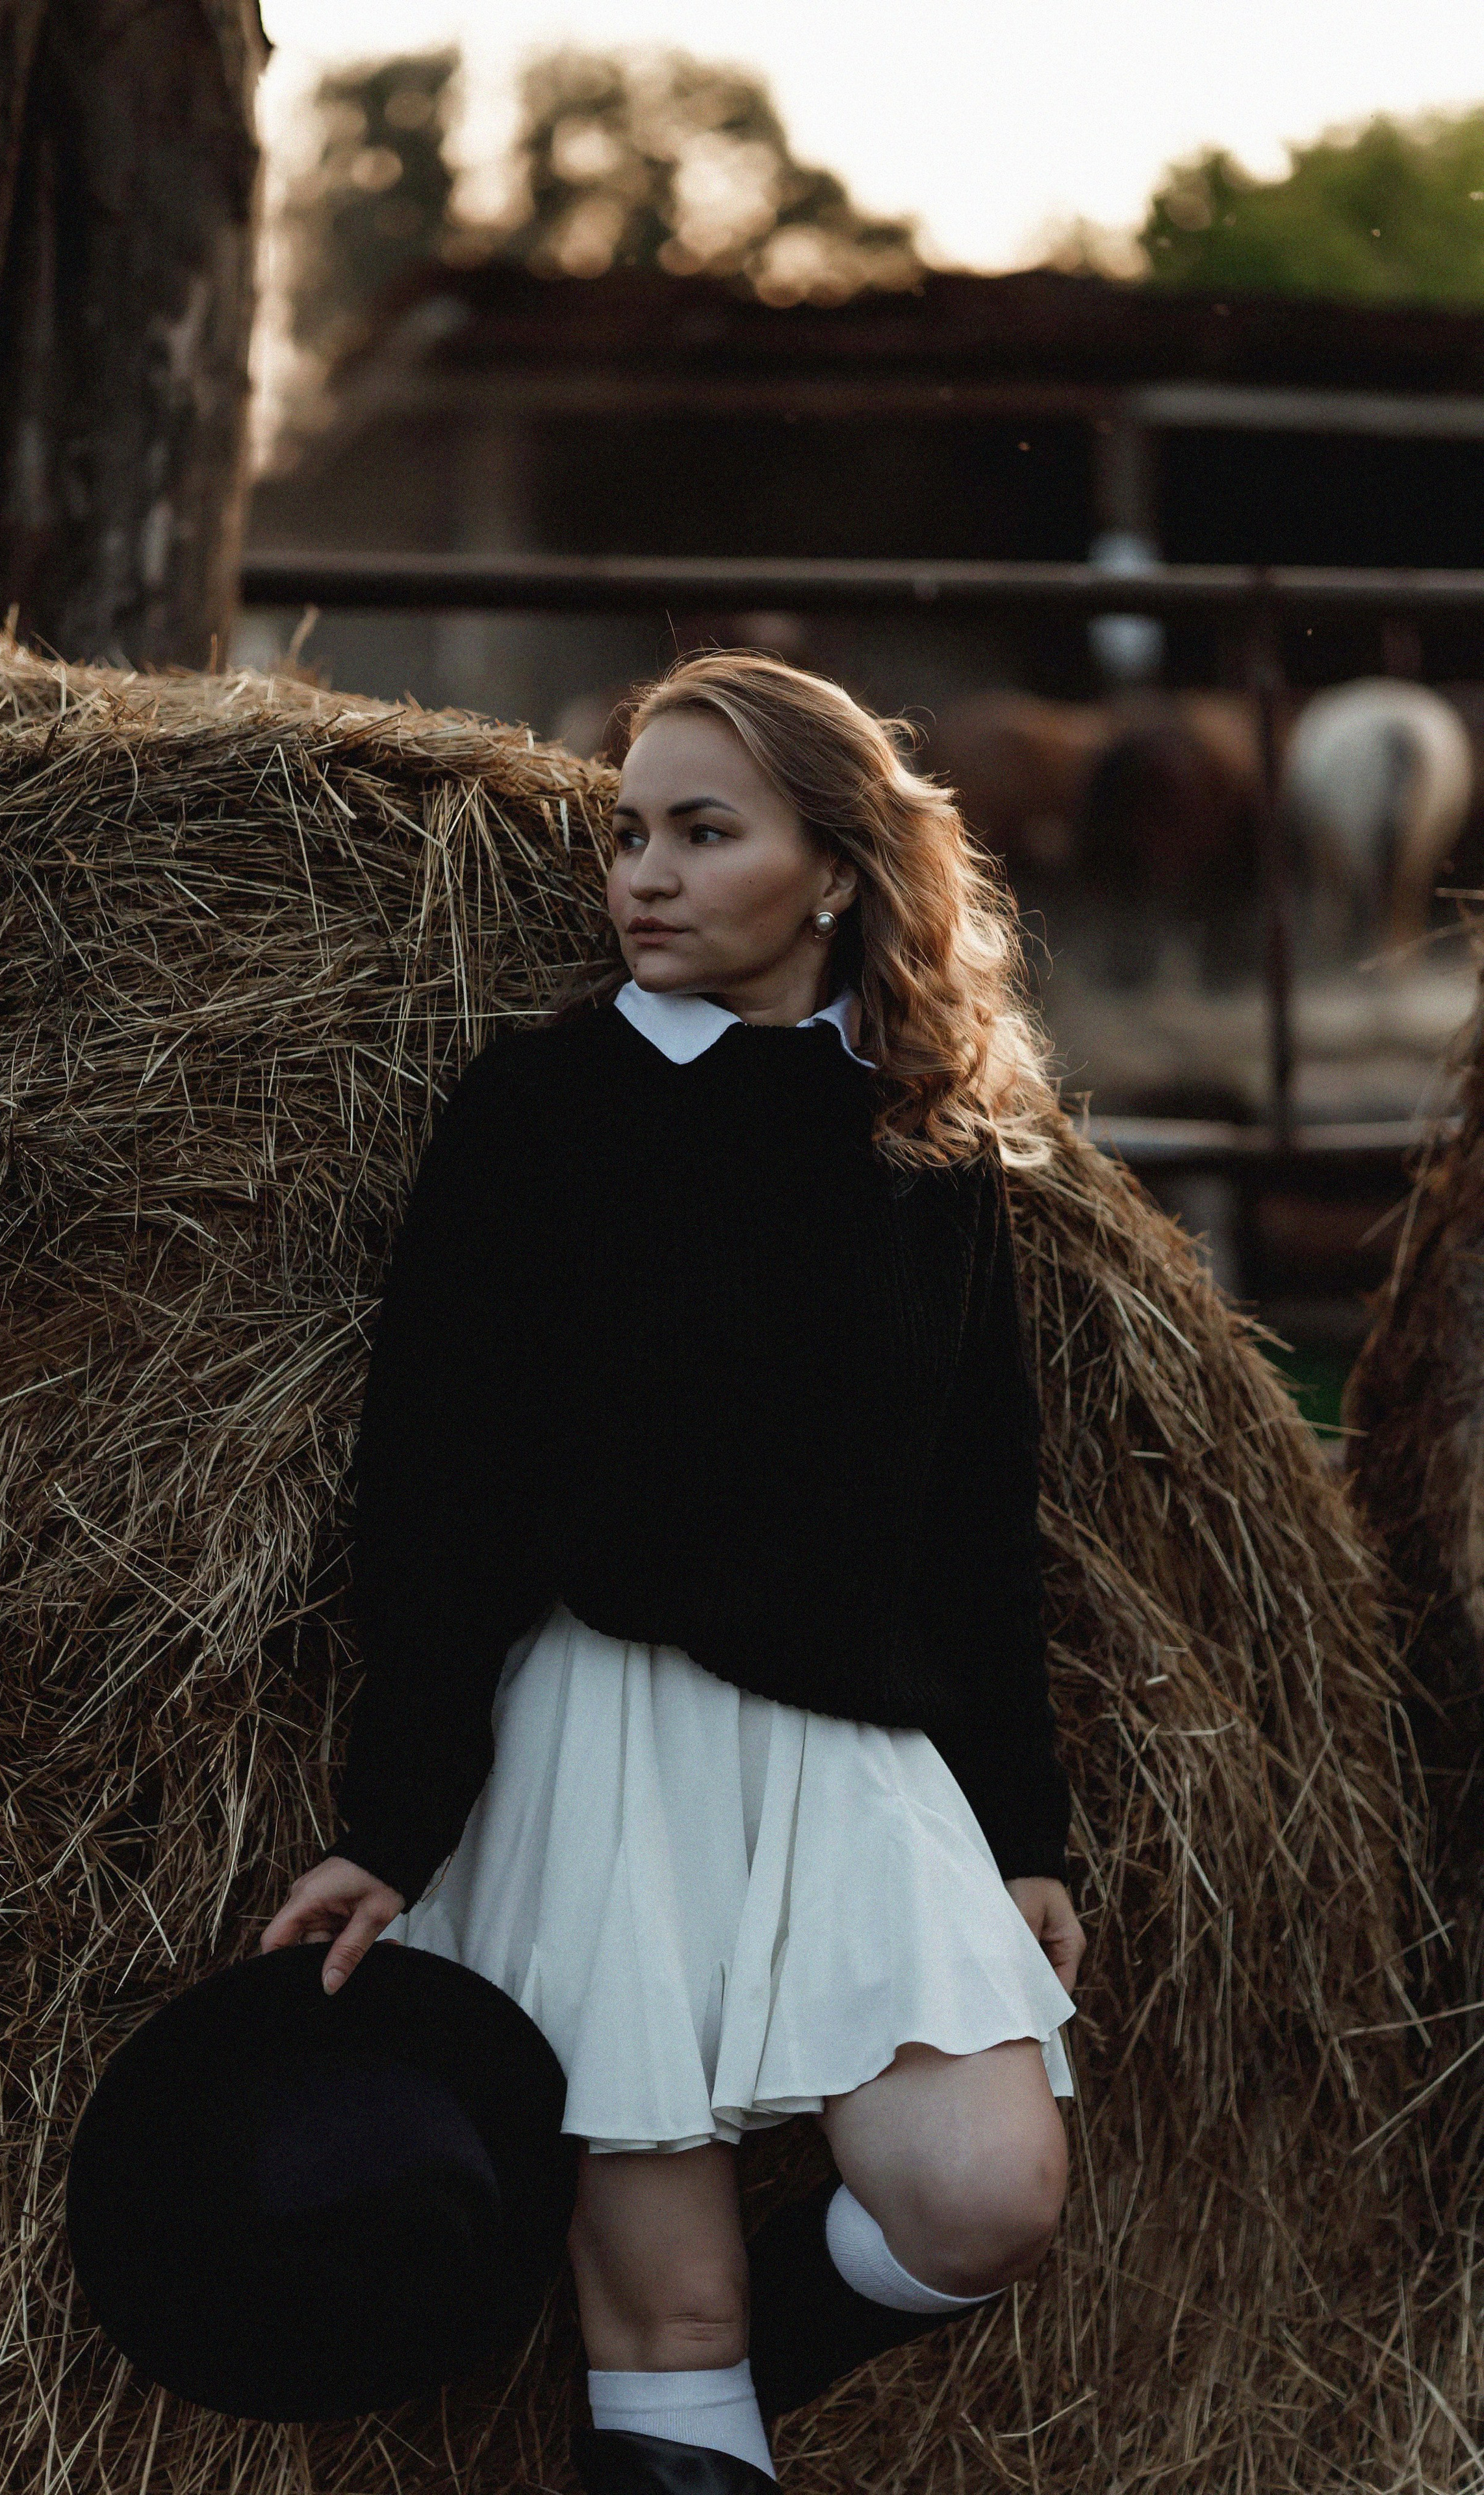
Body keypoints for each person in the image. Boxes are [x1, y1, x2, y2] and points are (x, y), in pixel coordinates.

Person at [261, 652, 1086, 2494]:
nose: (643, 875)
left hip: (851, 1754)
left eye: (704, 835)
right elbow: (437, 1495)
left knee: (987, 2194)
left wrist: (1023, 1830)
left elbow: (979, 1519)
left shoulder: (926, 1139)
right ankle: (667, 2419)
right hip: (606, 1746)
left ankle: (611, 2424)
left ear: (839, 869)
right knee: (678, 2316)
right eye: (631, 834)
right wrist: (397, 1825)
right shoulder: (543, 1111)